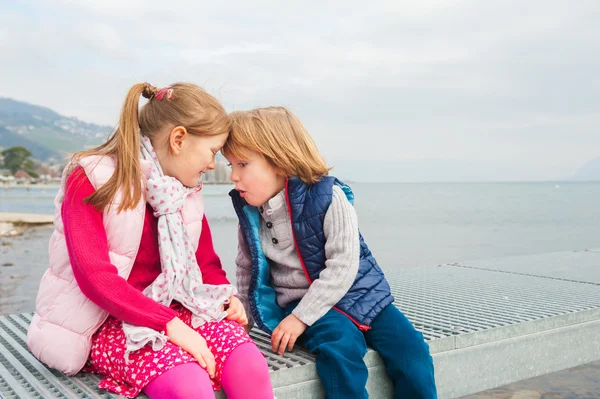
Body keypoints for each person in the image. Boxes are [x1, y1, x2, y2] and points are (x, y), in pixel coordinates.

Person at [27, 83, 273, 399]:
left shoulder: (185, 191)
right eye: (212, 152)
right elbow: (95, 278)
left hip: (175, 308)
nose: (213, 165)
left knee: (248, 364)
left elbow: (205, 262)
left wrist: (227, 298)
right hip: (106, 319)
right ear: (179, 139)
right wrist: (170, 325)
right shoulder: (91, 178)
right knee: (187, 385)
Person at [223, 106, 438, 399]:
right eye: (230, 165)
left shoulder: (328, 197)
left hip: (361, 294)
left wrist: (300, 318)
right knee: (340, 350)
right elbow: (247, 271)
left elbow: (343, 265)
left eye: (242, 164)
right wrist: (242, 325)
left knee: (412, 350)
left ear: (279, 161)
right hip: (309, 307)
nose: (233, 176)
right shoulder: (250, 214)